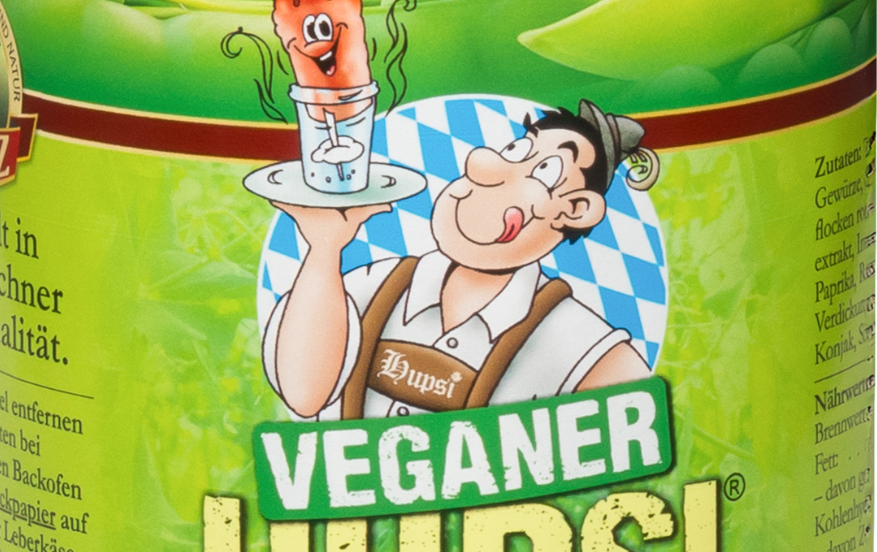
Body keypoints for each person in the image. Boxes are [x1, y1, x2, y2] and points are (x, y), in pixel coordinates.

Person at [265, 101, 656, 421]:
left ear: (576, 209)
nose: (484, 164)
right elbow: (304, 397)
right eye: (516, 151)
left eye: (544, 170)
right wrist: (324, 249)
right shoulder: (375, 284)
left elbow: (650, 427)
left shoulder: (573, 337)